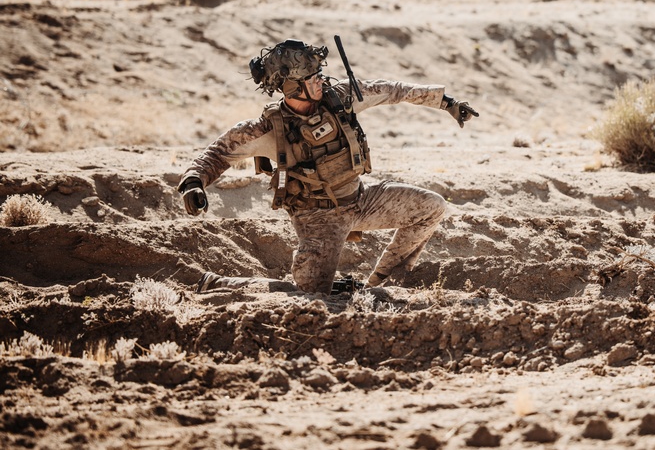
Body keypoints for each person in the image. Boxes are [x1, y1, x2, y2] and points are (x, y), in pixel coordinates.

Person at [177, 38, 478, 294]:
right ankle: (217, 283)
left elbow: (392, 90)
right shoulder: (268, 130)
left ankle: (382, 284)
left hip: (360, 201)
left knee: (432, 207)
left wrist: (446, 102)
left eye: (319, 74)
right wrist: (194, 182)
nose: (321, 81)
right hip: (318, 220)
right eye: (312, 79)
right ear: (293, 88)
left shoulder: (341, 97)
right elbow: (217, 153)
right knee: (311, 297)